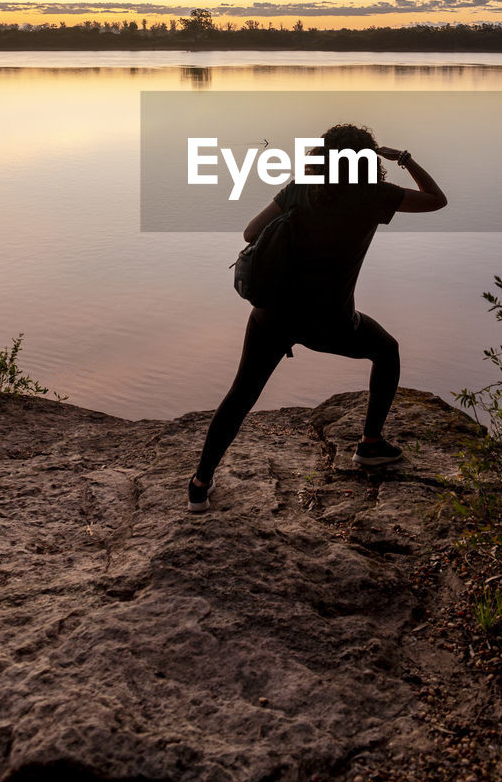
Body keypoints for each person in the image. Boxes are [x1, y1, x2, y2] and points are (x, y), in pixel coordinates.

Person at [188, 122, 447, 512]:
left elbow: (249, 233)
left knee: (241, 394)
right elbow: (436, 199)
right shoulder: (375, 196)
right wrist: (405, 159)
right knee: (386, 350)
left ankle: (199, 483)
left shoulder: (300, 189)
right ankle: (370, 444)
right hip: (330, 322)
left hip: (272, 314)